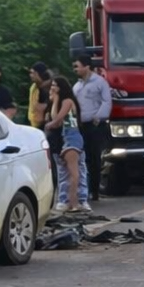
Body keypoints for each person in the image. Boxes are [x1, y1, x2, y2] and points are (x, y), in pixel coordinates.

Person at [45, 76, 89, 214]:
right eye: (51, 85)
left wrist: (49, 125)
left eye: (55, 85)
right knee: (72, 171)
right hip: (67, 137)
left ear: (61, 87)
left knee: (74, 172)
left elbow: (57, 119)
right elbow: (56, 119)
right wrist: (55, 100)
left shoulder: (68, 101)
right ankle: (74, 201)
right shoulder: (60, 101)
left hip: (72, 137)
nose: (52, 87)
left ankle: (75, 202)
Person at [73, 57, 112, 200]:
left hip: (95, 126)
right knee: (83, 158)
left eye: (77, 66)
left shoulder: (99, 82)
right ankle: (85, 189)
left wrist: (98, 117)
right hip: (81, 126)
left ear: (87, 66)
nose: (75, 69)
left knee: (94, 158)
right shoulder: (77, 86)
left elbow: (107, 101)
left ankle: (94, 191)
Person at [28, 63, 52, 129]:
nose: (31, 75)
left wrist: (45, 106)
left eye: (33, 73)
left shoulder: (50, 88)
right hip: (35, 123)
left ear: (38, 73)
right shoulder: (34, 87)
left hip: (47, 123)